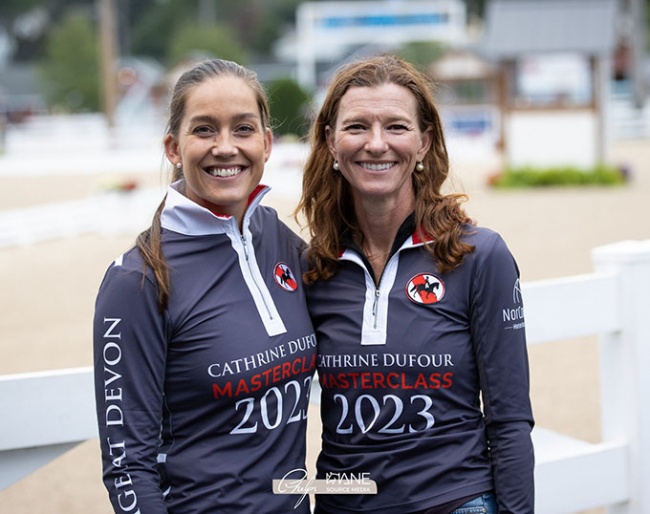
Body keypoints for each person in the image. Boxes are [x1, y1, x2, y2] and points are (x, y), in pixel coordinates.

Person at [297, 54, 534, 513]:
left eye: (397, 127)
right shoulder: (314, 266)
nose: (376, 143)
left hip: (454, 500)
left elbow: (509, 420)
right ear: (330, 141)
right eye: (356, 126)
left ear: (424, 142)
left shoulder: (478, 256)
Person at [93, 58, 317, 514]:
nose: (225, 147)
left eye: (242, 129)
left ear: (267, 142)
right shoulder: (135, 281)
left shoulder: (281, 241)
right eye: (204, 130)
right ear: (173, 147)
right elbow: (127, 467)